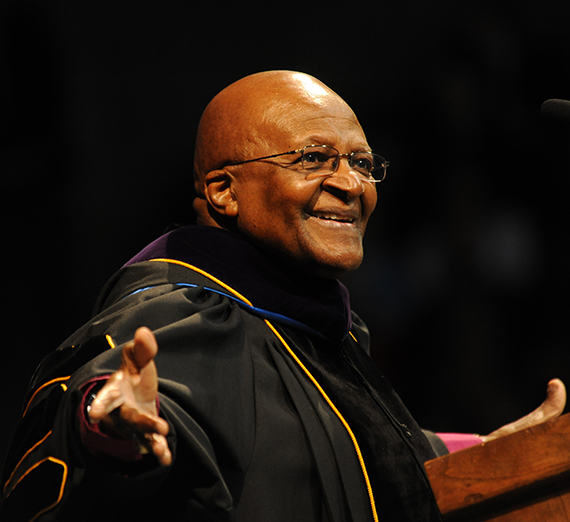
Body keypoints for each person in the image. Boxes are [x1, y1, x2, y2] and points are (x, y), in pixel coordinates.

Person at [1, 71, 565, 522]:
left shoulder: (307, 332)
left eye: (363, 163)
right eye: (313, 158)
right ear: (223, 191)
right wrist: (114, 425)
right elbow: (118, 402)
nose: (351, 184)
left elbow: (343, 462)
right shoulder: (183, 312)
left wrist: (494, 453)